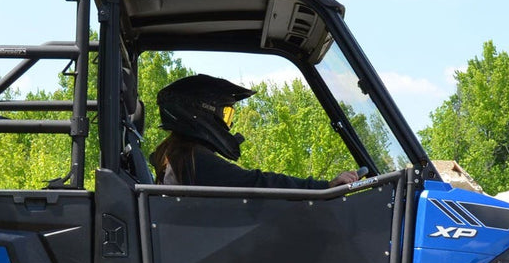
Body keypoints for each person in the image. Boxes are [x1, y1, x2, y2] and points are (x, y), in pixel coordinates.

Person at [149, 74, 360, 189]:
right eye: (227, 114)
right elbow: (254, 182)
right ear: (201, 112)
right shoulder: (194, 159)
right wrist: (325, 186)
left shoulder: (175, 157)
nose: (228, 124)